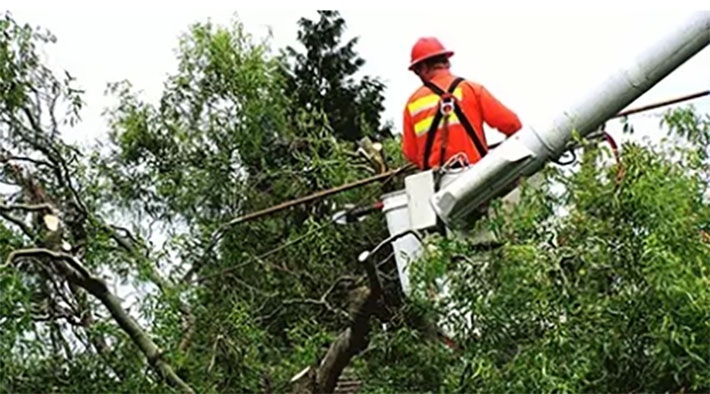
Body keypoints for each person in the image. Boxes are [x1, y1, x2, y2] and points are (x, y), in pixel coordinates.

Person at [402, 37, 523, 170]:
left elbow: (411, 153)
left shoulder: (412, 104)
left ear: (423, 68)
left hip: (436, 184)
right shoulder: (472, 90)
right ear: (446, 62)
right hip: (475, 176)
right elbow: (512, 124)